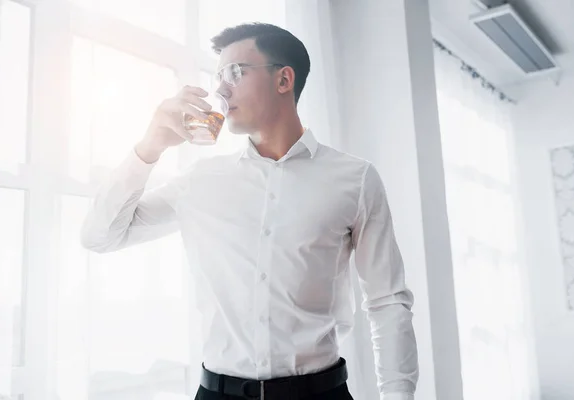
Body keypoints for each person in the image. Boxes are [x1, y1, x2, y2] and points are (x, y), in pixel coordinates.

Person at [81, 22, 419, 400]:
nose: (221, 88)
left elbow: (387, 301)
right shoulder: (201, 180)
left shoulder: (355, 179)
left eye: (236, 73)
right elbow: (99, 236)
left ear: (283, 80)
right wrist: (150, 146)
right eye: (218, 76)